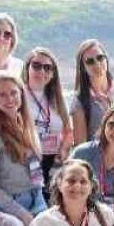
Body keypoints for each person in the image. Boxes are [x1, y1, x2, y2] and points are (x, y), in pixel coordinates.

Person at [0, 72, 46, 226]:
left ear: (21, 93)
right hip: (12, 206)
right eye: (2, 95)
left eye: (13, 92)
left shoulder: (27, 124)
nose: (9, 99)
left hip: (37, 196)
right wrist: (22, 214)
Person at [70, 106, 114, 212]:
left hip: (109, 220)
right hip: (79, 213)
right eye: (112, 124)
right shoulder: (82, 153)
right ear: (104, 126)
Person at [23, 46, 74, 187]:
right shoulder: (19, 95)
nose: (41, 71)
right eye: (36, 66)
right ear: (27, 68)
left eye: (47, 68)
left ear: (53, 74)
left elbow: (68, 131)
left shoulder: (57, 98)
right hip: (28, 161)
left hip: (53, 161)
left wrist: (62, 153)